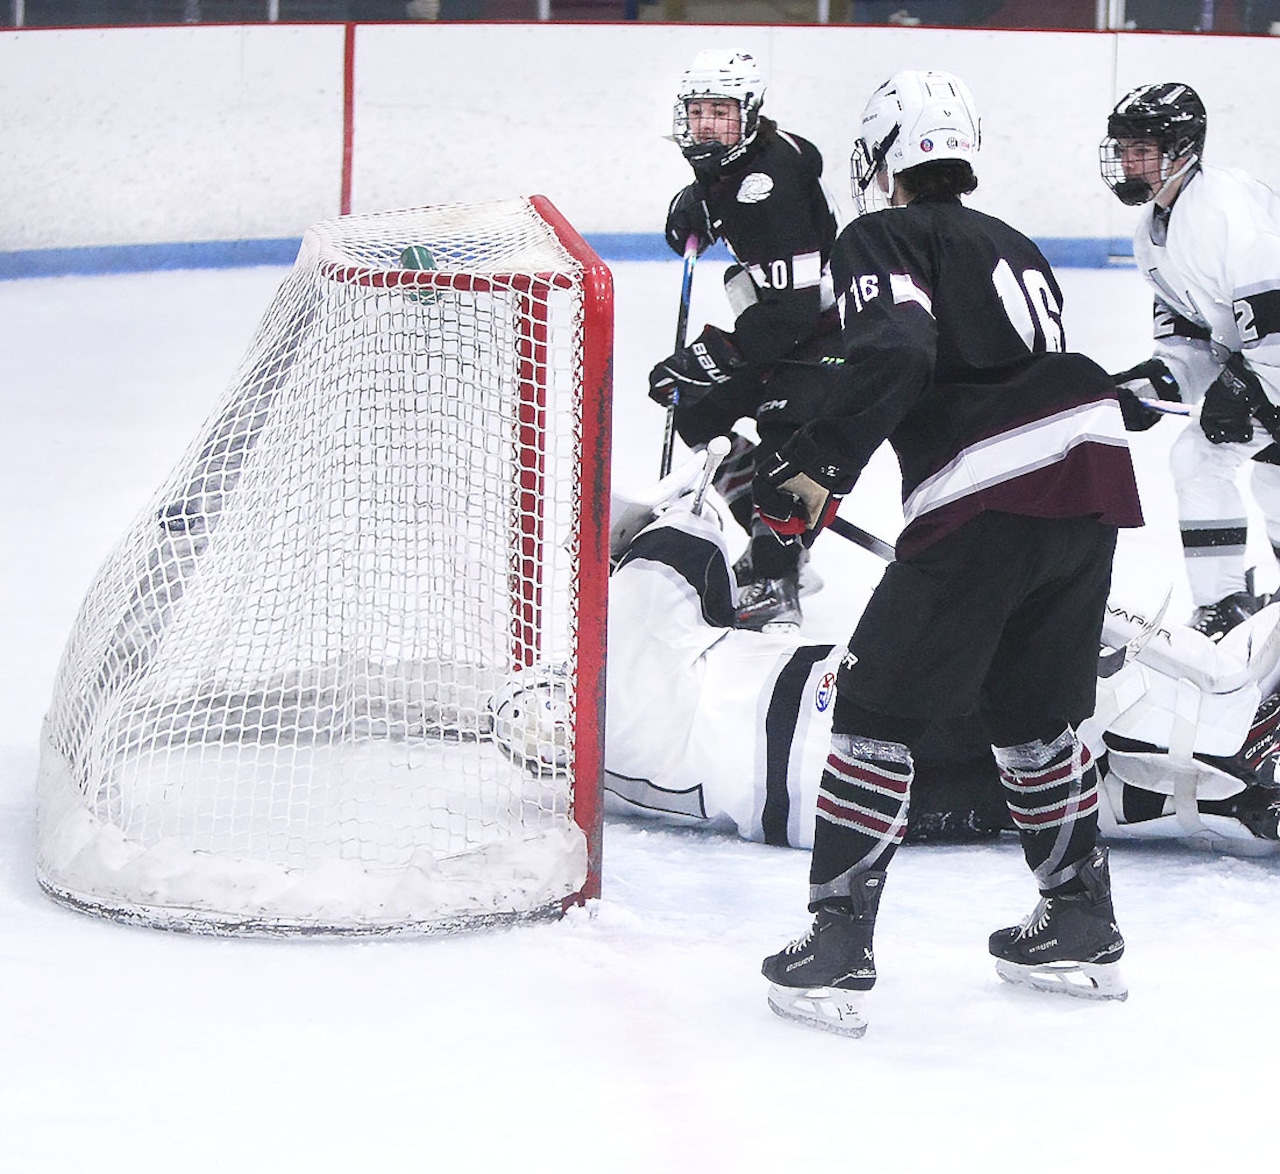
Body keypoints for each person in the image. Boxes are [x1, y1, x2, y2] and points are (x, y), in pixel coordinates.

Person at [744, 68, 1145, 1037]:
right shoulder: (1009, 241)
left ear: (887, 152)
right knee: (1029, 708)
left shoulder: (878, 233)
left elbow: (894, 351)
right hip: (1086, 476)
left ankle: (836, 942)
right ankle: (1079, 919)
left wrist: (807, 475)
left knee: (874, 702)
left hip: (988, 483)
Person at [602, 458, 1280, 854]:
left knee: (1062, 778)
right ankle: (1236, 740)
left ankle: (1228, 786)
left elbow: (693, 589)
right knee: (1073, 673)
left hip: (856, 806)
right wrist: (710, 486)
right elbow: (674, 544)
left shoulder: (628, 733)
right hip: (838, 723)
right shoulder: (624, 685)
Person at [647, 47, 840, 632]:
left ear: (749, 114)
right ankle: (773, 538)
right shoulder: (742, 163)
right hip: (790, 327)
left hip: (834, 333)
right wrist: (698, 202)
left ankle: (776, 579)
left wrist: (713, 354)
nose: (706, 125)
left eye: (720, 113)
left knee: (786, 439)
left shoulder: (767, 188)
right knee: (698, 409)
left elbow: (794, 311)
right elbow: (804, 152)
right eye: (697, 111)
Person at [1102, 82, 1280, 641]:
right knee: (1207, 460)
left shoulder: (1226, 210)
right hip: (1266, 368)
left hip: (1271, 365)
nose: (1129, 162)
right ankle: (1225, 602)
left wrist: (1248, 385)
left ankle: (1228, 600)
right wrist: (1160, 381)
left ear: (1181, 149)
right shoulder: (1150, 233)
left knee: (1254, 476)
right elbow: (1192, 337)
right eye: (1123, 148)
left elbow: (1274, 315)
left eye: (1142, 150)